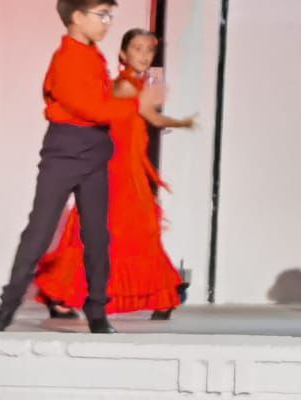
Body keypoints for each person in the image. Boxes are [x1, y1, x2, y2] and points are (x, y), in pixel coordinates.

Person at [0, 0, 166, 334]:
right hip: (65, 150)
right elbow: (89, 107)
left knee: (98, 235)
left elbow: (102, 105)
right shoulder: (66, 58)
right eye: (101, 15)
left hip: (94, 151)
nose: (107, 23)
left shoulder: (94, 56)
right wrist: (127, 103)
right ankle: (7, 305)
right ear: (76, 18)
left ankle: (97, 310)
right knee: (40, 231)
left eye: (110, 16)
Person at [34, 28, 196, 320]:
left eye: (149, 50)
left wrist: (177, 118)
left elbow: (148, 116)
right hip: (115, 171)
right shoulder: (123, 87)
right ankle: (61, 294)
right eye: (137, 49)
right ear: (123, 54)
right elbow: (145, 114)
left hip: (127, 169)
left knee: (130, 232)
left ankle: (160, 295)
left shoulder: (132, 85)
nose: (144, 55)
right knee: (110, 232)